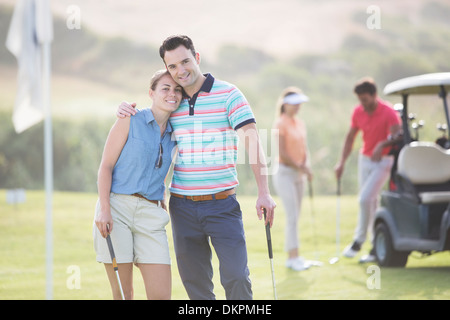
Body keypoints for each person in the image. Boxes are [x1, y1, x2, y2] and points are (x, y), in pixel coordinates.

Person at [117, 35, 276, 300]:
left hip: (222, 205)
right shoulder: (172, 102)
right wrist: (123, 108)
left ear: (197, 58)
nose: (180, 71)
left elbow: (252, 139)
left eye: (185, 61)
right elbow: (146, 127)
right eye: (172, 67)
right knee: (195, 283)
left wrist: (264, 192)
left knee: (236, 276)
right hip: (183, 208)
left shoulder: (229, 94)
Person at [93, 70, 182, 300]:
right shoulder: (129, 119)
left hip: (151, 215)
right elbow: (106, 167)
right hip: (116, 210)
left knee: (161, 296)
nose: (172, 93)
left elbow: (160, 167)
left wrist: (161, 192)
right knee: (124, 295)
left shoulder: (177, 132)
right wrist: (104, 209)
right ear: (151, 93)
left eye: (177, 90)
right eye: (165, 88)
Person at [334, 77, 402, 263]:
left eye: (364, 99)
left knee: (365, 199)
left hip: (383, 161)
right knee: (371, 202)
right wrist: (341, 162)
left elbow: (398, 135)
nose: (362, 104)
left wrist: (382, 144)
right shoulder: (358, 112)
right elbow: (350, 138)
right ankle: (376, 246)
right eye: (360, 100)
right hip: (365, 160)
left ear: (374, 95)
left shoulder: (388, 112)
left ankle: (359, 240)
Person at [272, 87, 313, 271]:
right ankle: (291, 258)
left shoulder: (300, 123)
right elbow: (283, 153)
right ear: (286, 104)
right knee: (292, 216)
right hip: (284, 173)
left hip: (298, 174)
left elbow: (303, 148)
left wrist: (306, 166)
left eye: (300, 104)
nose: (298, 107)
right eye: (295, 104)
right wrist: (301, 167)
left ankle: (296, 256)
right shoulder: (280, 123)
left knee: (296, 217)